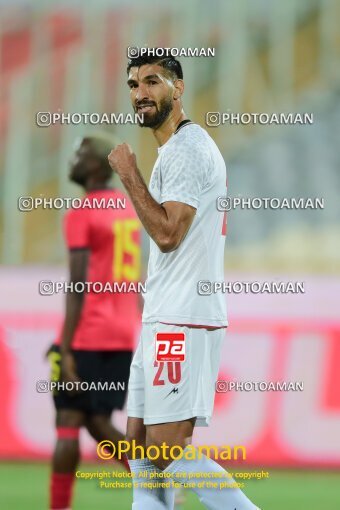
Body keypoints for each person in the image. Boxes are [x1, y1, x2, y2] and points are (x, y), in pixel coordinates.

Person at [108, 53, 261, 510]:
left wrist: (129, 174)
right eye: (133, 84)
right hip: (164, 316)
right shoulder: (174, 151)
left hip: (184, 317)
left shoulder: (189, 149)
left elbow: (169, 233)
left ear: (179, 89)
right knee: (140, 447)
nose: (140, 93)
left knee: (167, 449)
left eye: (152, 82)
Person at [48, 133, 141, 510]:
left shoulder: (82, 213)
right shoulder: (127, 208)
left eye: (79, 154)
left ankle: (59, 507)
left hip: (88, 333)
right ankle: (156, 482)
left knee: (70, 421)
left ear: (93, 166)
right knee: (98, 421)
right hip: (122, 334)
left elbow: (78, 285)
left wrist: (65, 347)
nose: (72, 159)